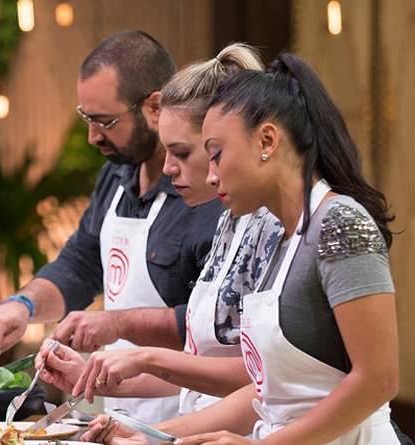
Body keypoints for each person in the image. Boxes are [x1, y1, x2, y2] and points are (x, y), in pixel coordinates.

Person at [93, 52, 401, 444]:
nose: (211, 173)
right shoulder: (280, 240)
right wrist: (152, 435)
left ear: (267, 140)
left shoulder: (339, 221)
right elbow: (266, 393)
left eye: (216, 154)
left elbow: (379, 380)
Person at [39, 43, 280, 421]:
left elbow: (269, 382)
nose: (168, 168)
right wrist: (98, 379)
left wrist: (165, 425)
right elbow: (206, 365)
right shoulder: (232, 224)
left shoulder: (293, 229)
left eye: (184, 153)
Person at [0, 30, 224, 423]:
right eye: (86, 118)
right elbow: (81, 264)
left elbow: (213, 325)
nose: (92, 136)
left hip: (195, 416)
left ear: (154, 106)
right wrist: (23, 306)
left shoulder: (207, 196)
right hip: (125, 410)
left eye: (105, 121)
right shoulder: (116, 175)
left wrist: (115, 323)